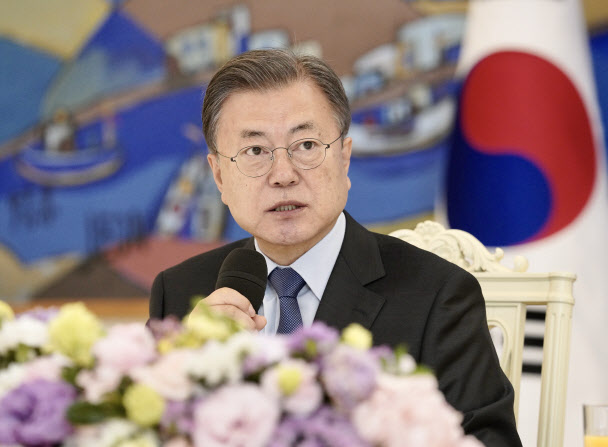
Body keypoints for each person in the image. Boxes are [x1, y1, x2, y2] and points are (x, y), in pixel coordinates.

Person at [150, 49, 521, 446]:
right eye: (255, 151)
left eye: (306, 145)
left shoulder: (438, 295)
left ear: (344, 158)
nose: (283, 175)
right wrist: (190, 367)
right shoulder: (181, 293)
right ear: (219, 176)